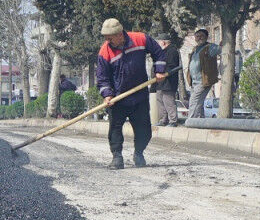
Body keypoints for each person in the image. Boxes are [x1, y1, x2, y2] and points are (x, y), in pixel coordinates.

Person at [94, 18, 168, 170]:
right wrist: (107, 94)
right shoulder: (105, 51)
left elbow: (158, 52)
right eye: (105, 38)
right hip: (117, 98)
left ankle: (139, 153)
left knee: (144, 130)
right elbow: (102, 77)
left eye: (110, 37)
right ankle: (117, 157)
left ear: (120, 34)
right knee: (115, 129)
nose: (107, 40)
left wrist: (159, 70)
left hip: (139, 95)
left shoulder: (140, 39)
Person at [185, 28, 221, 122]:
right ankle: (200, 122)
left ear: (206, 37)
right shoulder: (195, 49)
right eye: (197, 36)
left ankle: (191, 121)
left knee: (194, 101)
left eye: (201, 36)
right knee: (198, 103)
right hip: (194, 81)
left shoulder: (210, 47)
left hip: (203, 80)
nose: (199, 38)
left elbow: (221, 50)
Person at [153, 34, 181, 127]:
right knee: (160, 100)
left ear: (163, 42)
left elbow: (171, 66)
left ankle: (173, 120)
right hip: (160, 82)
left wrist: (163, 72)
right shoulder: (161, 52)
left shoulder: (172, 51)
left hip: (168, 81)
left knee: (168, 101)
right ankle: (163, 120)